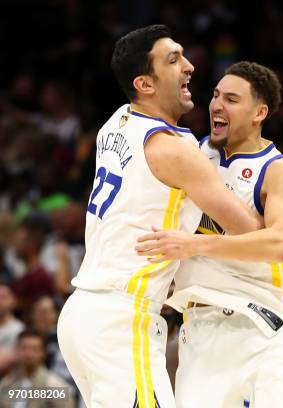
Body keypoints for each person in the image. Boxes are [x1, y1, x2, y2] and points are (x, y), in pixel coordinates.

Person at [57, 25, 261, 408]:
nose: (189, 66)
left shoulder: (115, 123)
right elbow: (254, 233)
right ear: (145, 84)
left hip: (84, 311)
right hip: (123, 317)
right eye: (173, 60)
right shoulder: (174, 150)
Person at [135, 61, 283, 407]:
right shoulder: (190, 155)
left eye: (231, 99)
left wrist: (194, 244)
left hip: (261, 327)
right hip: (199, 330)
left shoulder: (279, 172)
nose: (217, 105)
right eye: (216, 95)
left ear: (260, 112)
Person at [0, 330, 74, 408]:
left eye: (34, 349)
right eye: (24, 348)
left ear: (43, 353)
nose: (28, 354)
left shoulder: (55, 386)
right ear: (16, 350)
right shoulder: (7, 382)